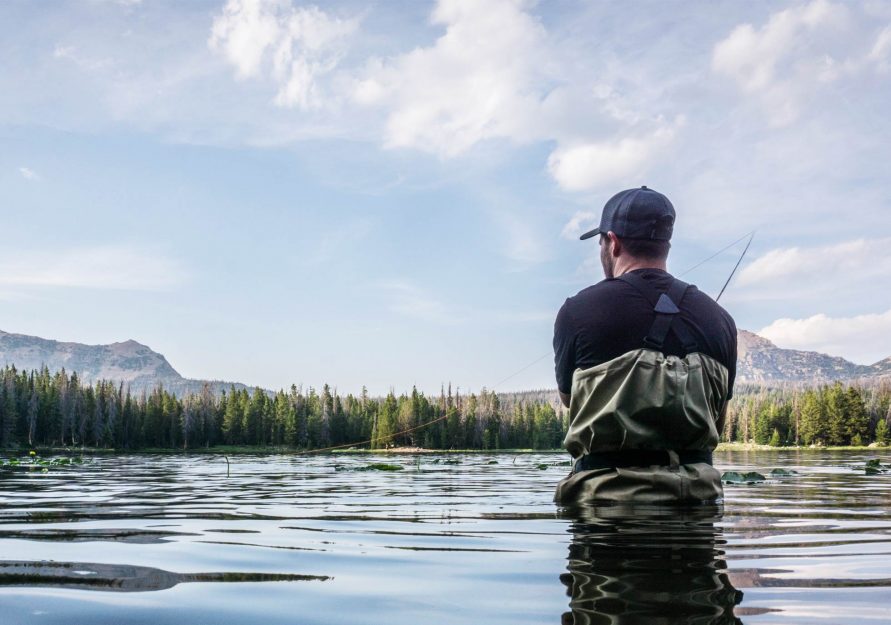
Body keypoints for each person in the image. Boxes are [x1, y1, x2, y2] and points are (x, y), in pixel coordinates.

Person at [552, 186, 737, 505]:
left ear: (613, 242)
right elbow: (717, 421)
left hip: (605, 509)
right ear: (665, 244)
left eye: (600, 242)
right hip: (698, 508)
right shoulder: (720, 320)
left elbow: (570, 401)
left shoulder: (578, 311)